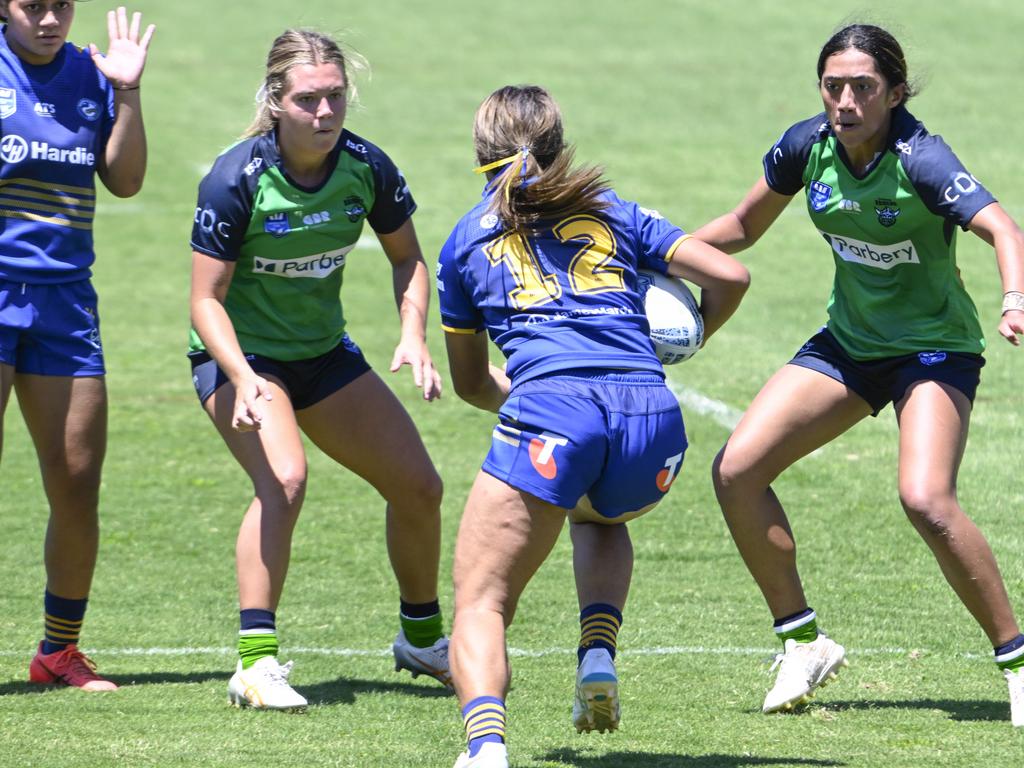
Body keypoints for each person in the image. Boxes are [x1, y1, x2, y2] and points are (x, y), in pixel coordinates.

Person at [694, 23, 1024, 725]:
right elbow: (742, 226)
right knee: (737, 471)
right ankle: (803, 641)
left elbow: (1004, 229)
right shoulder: (805, 147)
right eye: (833, 86)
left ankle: (1018, 659)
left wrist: (1015, 298)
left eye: (863, 88)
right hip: (850, 345)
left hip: (933, 351)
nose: (845, 100)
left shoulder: (923, 160)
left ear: (894, 93)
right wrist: (655, 249)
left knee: (926, 500)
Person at [439, 85, 749, 767]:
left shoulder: (466, 239)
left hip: (553, 414)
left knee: (481, 602)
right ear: (557, 145)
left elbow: (468, 382)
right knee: (601, 516)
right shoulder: (615, 211)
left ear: (481, 153)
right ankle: (598, 656)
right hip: (653, 420)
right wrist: (691, 339)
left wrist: (544, 412)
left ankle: (486, 747)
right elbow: (731, 275)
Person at [189, 28, 450, 712]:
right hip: (243, 360)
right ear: (276, 101)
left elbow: (407, 259)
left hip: (323, 356)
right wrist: (243, 377)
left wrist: (413, 334)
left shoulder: (367, 167)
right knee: (284, 478)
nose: (326, 112)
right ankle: (254, 664)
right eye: (309, 100)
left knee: (419, 487)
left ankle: (421, 639)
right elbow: (204, 300)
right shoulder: (236, 177)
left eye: (335, 97)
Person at [0, 2, 154, 691]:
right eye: (32, 4)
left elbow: (124, 181)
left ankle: (58, 653)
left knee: (76, 483)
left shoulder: (91, 75)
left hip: (66, 302)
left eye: (61, 4)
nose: (49, 17)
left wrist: (127, 91)